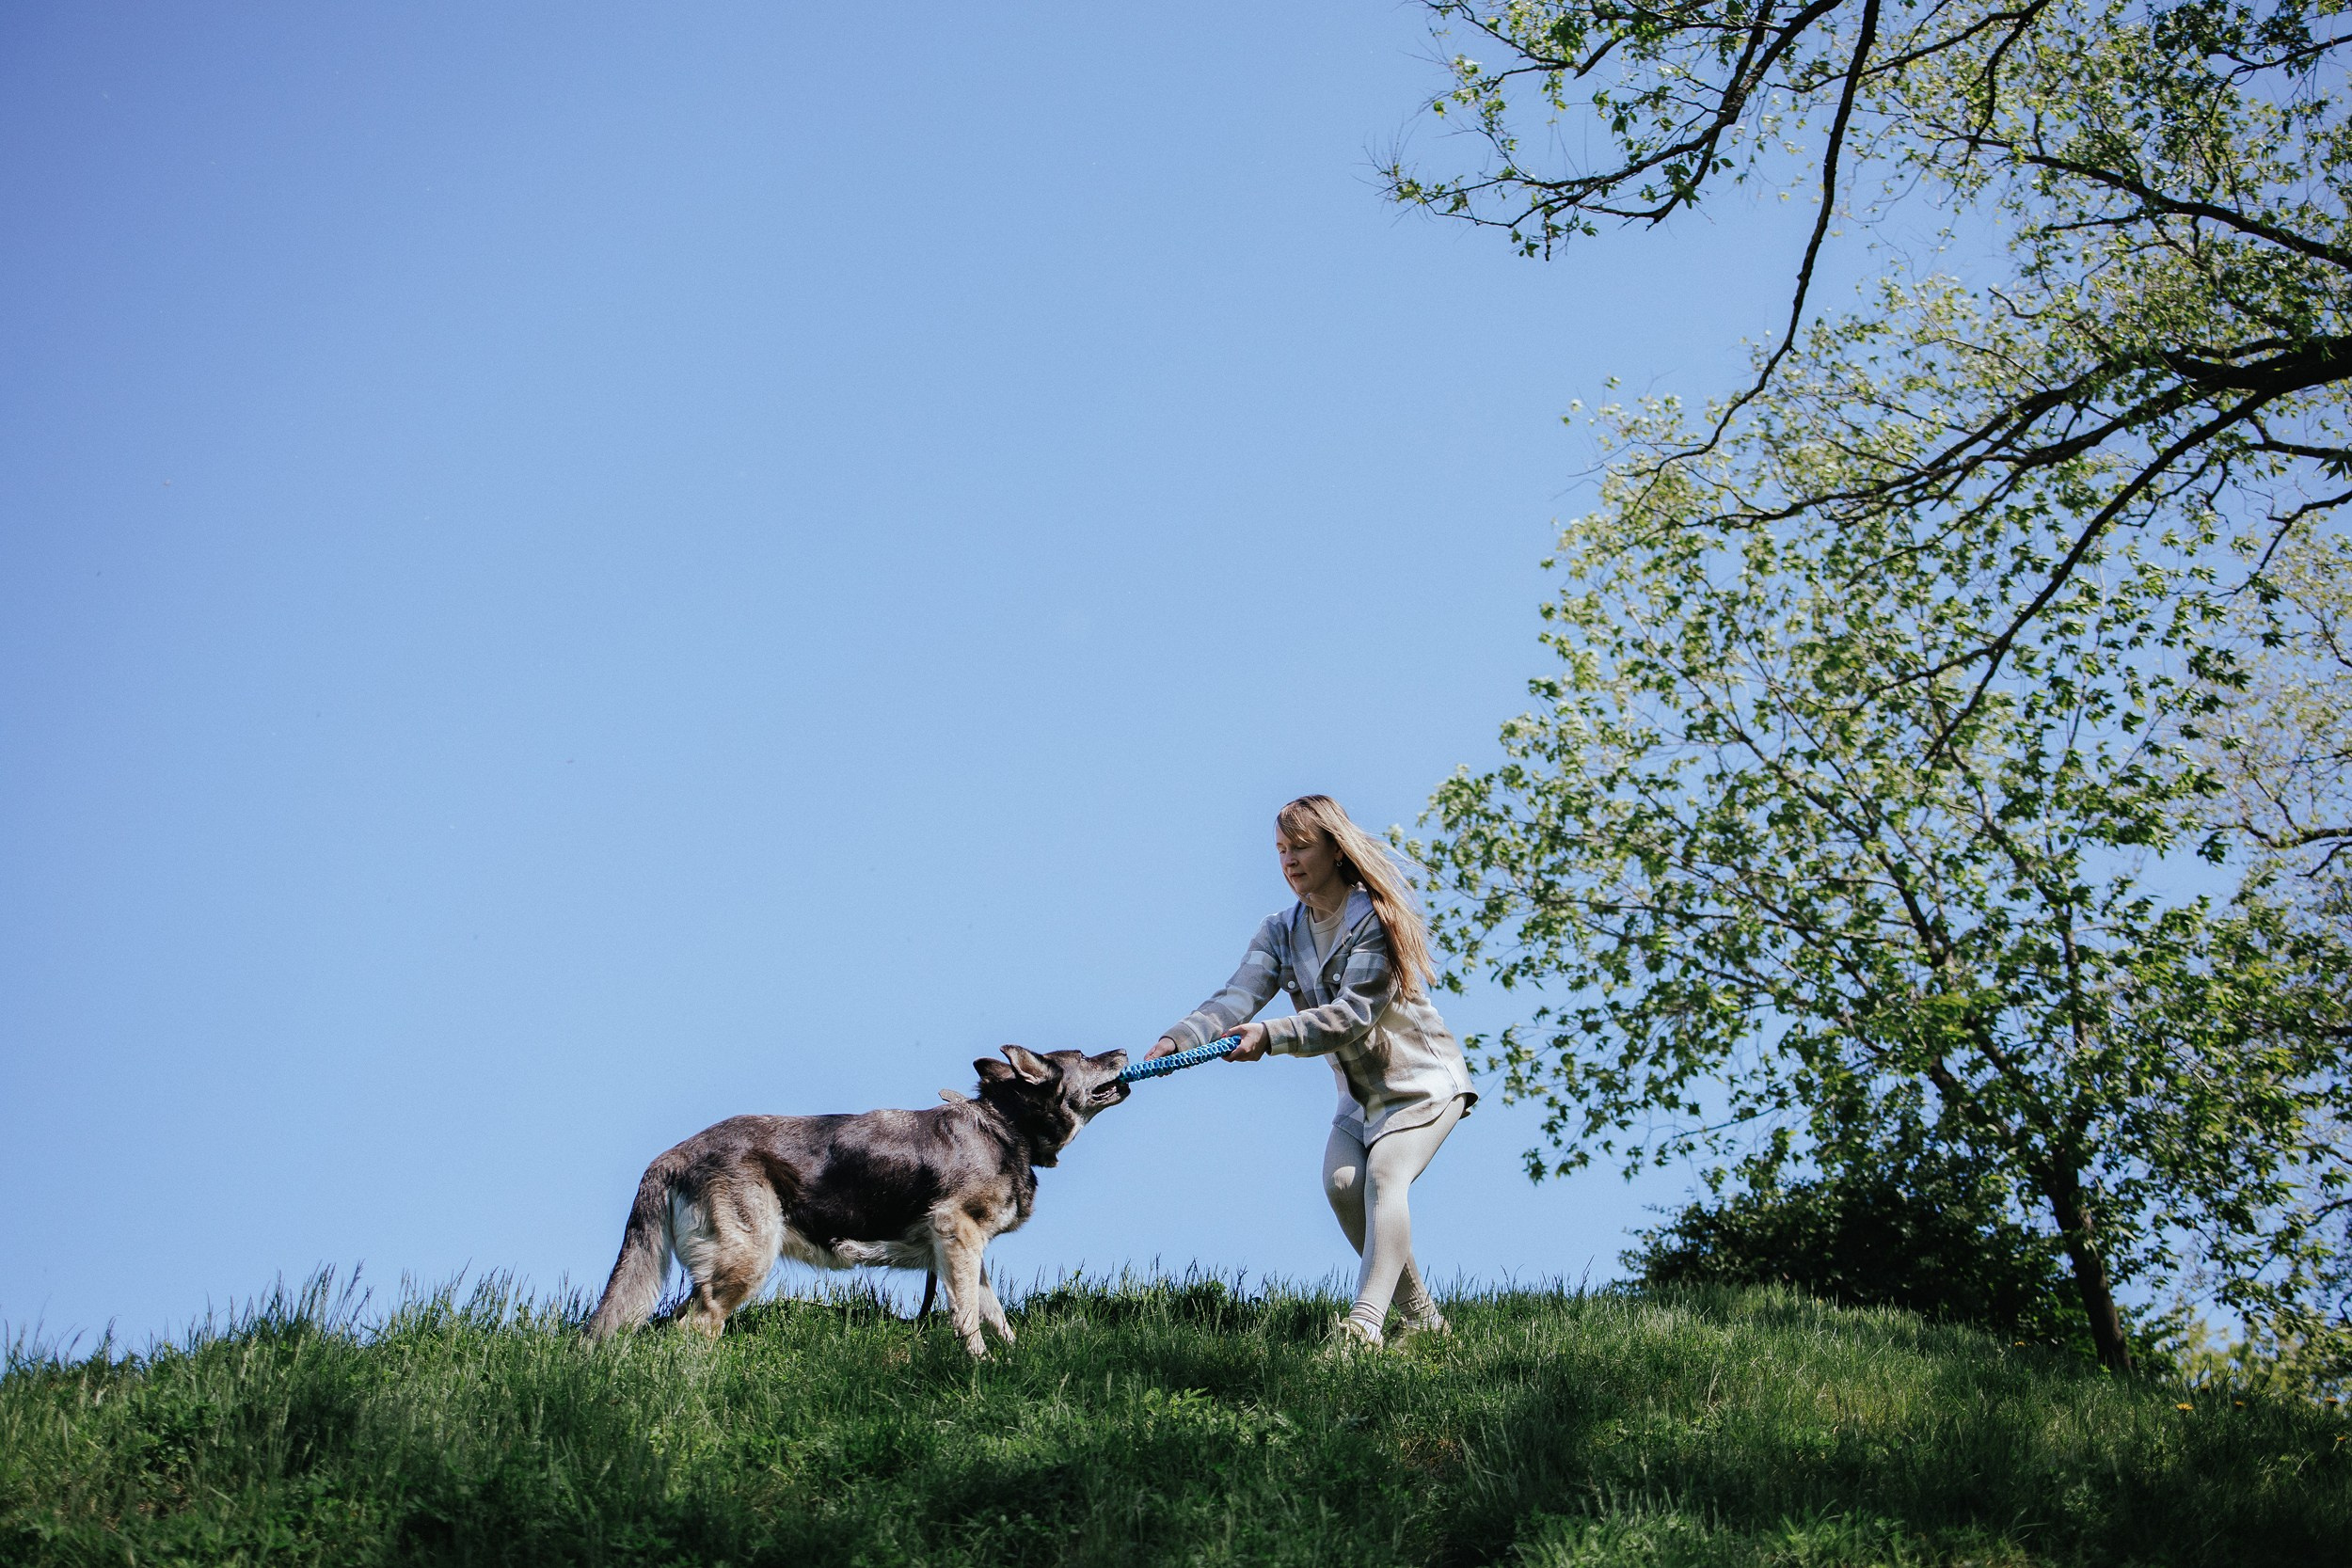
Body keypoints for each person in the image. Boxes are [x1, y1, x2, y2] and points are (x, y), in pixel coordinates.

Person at [1147, 794, 1476, 1348]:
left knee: (1383, 1179)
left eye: (1301, 847)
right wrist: (1179, 1038)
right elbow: (1237, 997)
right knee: (1343, 1186)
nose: (1289, 860)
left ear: (1335, 849)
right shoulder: (1280, 930)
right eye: (1280, 850)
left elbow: (1352, 1016)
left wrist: (1269, 1037)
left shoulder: (1373, 918)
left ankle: (1364, 1327)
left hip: (1421, 1084)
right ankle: (1423, 1318)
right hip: (1359, 1097)